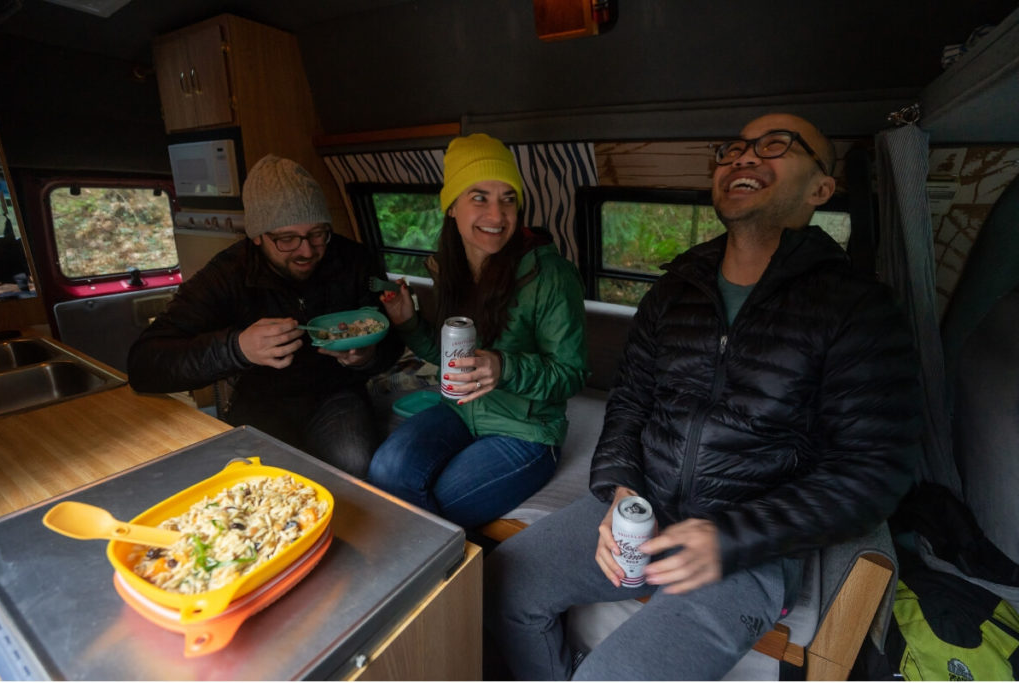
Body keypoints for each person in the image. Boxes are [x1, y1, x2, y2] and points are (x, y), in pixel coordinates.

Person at [485, 113, 923, 680]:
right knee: (501, 582)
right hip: (645, 504)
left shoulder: (857, 309)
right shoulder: (676, 288)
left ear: (820, 188)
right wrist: (620, 490)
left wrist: (732, 537)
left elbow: (875, 471)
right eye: (734, 149)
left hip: (752, 545)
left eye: (775, 146)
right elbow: (629, 401)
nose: (743, 157)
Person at [127, 154, 403, 477]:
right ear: (257, 235)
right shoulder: (228, 274)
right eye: (287, 238)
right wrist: (237, 348)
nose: (307, 250)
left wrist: (368, 356)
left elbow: (393, 343)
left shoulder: (353, 260)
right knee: (260, 479)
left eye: (318, 233)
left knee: (353, 463)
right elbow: (144, 364)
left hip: (337, 396)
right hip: (261, 401)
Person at [367, 133, 588, 530]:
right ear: (452, 206)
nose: (497, 214)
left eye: (508, 198)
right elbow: (451, 360)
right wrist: (408, 323)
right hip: (460, 411)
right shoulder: (451, 268)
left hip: (527, 432)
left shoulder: (550, 275)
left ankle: (441, 585)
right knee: (385, 470)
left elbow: (570, 374)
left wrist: (504, 367)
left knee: (440, 507)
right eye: (479, 197)